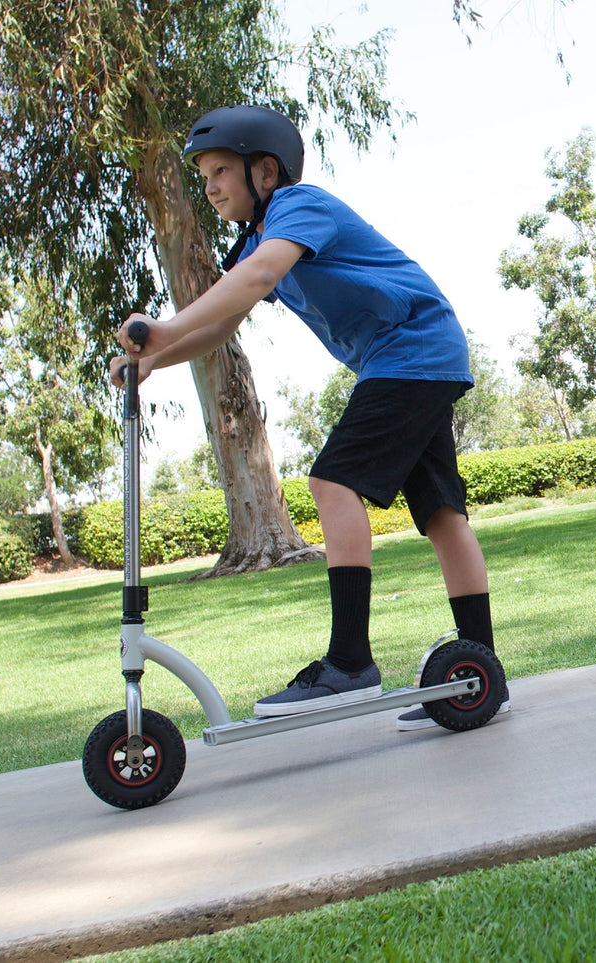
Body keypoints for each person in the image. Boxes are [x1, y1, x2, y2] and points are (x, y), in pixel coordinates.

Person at [110, 104, 507, 731]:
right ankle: (483, 671)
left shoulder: (300, 207)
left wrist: (162, 328)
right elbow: (222, 322)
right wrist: (158, 355)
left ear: (265, 171)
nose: (209, 186)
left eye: (219, 171)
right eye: (204, 175)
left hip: (412, 348)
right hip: (419, 354)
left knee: (332, 480)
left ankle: (349, 662)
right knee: (439, 514)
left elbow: (257, 277)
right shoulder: (258, 237)